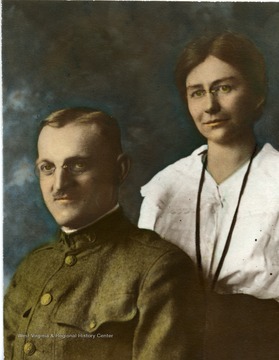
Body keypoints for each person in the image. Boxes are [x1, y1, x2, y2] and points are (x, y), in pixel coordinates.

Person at [4, 108, 204, 359]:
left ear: (119, 170)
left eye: (77, 165)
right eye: (47, 167)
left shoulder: (158, 269)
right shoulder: (33, 266)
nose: (59, 184)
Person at [138, 32, 279, 359]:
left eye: (224, 88)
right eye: (197, 93)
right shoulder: (166, 186)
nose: (210, 105)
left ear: (257, 95)